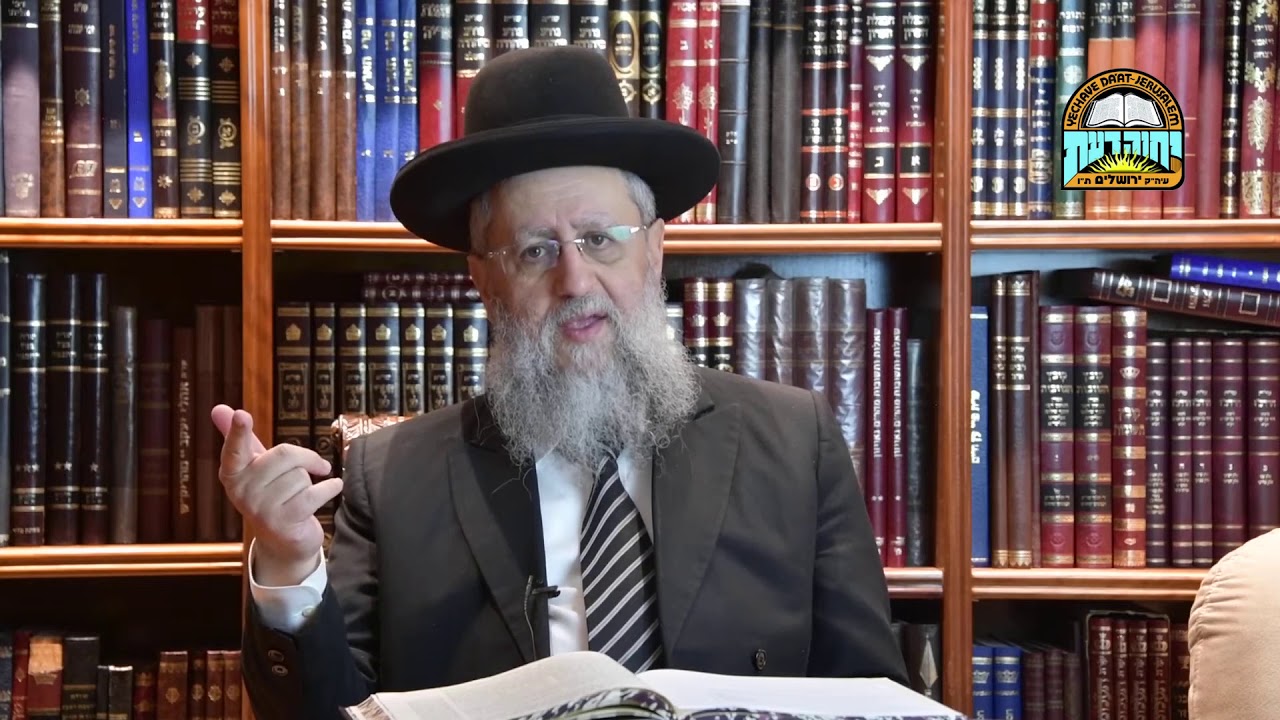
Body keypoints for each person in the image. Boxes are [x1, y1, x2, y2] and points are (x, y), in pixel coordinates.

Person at [212, 44, 907, 719]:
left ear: (655, 248)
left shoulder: (795, 443)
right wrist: (288, 565)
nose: (575, 281)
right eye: (535, 250)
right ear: (483, 279)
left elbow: (875, 699)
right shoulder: (390, 478)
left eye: (601, 239)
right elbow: (326, 711)